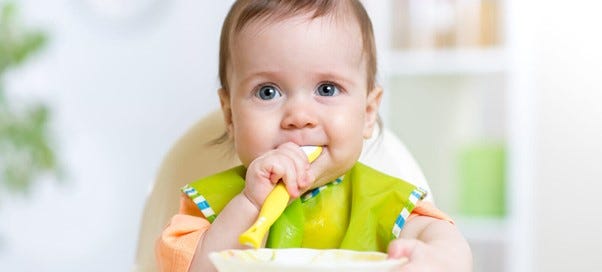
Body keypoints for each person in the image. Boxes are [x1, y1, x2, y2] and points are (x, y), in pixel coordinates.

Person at [156, 0, 472, 271]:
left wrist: (437, 260)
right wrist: (250, 203)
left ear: (367, 112)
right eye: (268, 92)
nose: (299, 117)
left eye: (327, 89)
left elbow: (443, 238)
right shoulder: (211, 208)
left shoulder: (383, 202)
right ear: (230, 116)